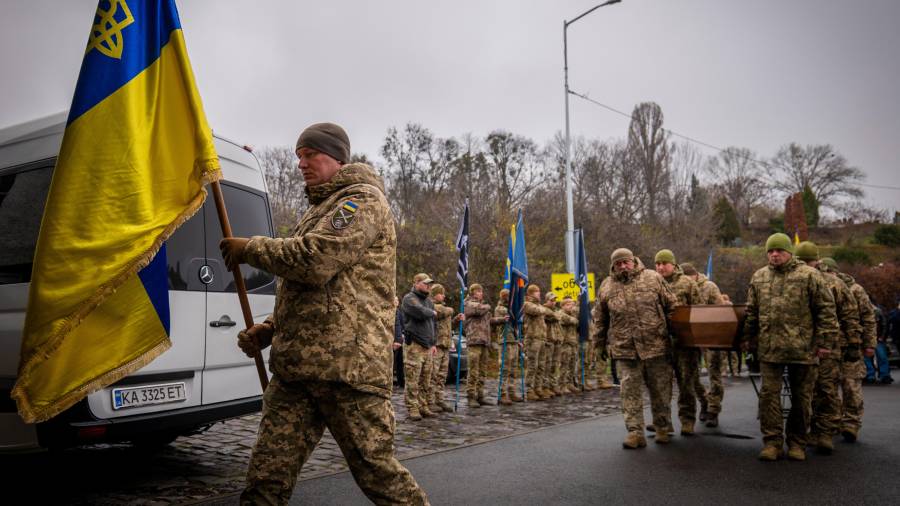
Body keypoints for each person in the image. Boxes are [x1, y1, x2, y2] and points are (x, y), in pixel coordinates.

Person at [219, 122, 427, 504]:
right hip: (297, 372)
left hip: (347, 370)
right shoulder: (316, 211)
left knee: (377, 473)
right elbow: (306, 291)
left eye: (310, 154)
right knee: (266, 477)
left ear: (336, 158)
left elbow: (316, 260)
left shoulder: (361, 200)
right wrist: (270, 328)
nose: (301, 163)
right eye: (298, 155)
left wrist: (251, 248)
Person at [740, 233, 839, 462]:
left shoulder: (809, 275)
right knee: (768, 397)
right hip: (770, 349)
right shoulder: (759, 277)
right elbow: (752, 312)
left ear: (789, 252)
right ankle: (772, 442)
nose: (774, 254)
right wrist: (747, 338)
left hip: (803, 350)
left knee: (802, 399)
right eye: (770, 251)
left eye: (779, 250)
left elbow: (826, 310)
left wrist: (825, 343)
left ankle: (797, 443)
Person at [594, 248, 677, 449]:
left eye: (626, 262)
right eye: (618, 263)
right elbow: (600, 318)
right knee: (629, 392)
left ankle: (662, 428)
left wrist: (677, 336)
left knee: (660, 390)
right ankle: (635, 432)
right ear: (613, 265)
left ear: (634, 261)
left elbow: (672, 307)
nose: (623, 266)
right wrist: (598, 344)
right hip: (625, 349)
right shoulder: (607, 286)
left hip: (656, 346)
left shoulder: (653, 278)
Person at [796, 242, 861, 455]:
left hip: (828, 346)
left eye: (808, 261)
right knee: (811, 390)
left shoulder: (833, 283)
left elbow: (850, 315)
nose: (806, 265)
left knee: (825, 389)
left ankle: (824, 432)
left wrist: (853, 344)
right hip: (803, 347)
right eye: (802, 261)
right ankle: (816, 430)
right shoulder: (794, 281)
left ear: (816, 261)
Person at [820, 257, 878, 442]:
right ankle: (834, 421)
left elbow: (868, 318)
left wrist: (869, 344)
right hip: (829, 347)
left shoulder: (855, 290)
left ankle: (851, 423)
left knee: (851, 386)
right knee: (828, 387)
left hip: (850, 346)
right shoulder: (821, 287)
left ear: (834, 272)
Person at [654, 249, 703, 436]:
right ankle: (662, 422)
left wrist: (696, 338)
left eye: (664, 263)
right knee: (660, 386)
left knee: (686, 384)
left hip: (684, 343)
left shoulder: (687, 283)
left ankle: (687, 419)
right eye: (657, 264)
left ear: (673, 264)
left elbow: (699, 310)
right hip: (660, 343)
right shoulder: (652, 283)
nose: (660, 267)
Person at [682, 262, 726, 428]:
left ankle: (714, 410)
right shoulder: (681, 286)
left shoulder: (709, 286)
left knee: (714, 375)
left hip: (711, 336)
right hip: (691, 337)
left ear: (694, 275)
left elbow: (721, 310)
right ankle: (704, 401)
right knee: (691, 375)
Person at [401, 273, 439, 420]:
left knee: (426, 379)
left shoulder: (429, 301)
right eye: (425, 283)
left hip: (428, 346)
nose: (429, 286)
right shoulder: (409, 298)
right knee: (413, 378)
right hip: (414, 345)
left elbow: (434, 325)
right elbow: (420, 312)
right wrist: (433, 312)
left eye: (430, 284)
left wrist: (434, 343)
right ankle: (412, 407)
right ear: (416, 283)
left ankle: (423, 406)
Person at [463, 283, 504, 407]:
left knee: (482, 371)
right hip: (474, 340)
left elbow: (489, 320)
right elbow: (478, 310)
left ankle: (480, 395)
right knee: (473, 371)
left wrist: (501, 320)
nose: (481, 293)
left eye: (481, 291)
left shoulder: (482, 306)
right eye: (479, 291)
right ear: (473, 292)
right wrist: (487, 306)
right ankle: (471, 397)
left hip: (485, 341)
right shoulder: (468, 303)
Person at [430, 283, 462, 413]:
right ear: (434, 294)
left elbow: (447, 324)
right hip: (436, 344)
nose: (443, 295)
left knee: (442, 376)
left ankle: (439, 399)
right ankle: (430, 400)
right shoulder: (432, 306)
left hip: (445, 345)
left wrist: (456, 320)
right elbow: (442, 313)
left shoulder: (443, 308)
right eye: (441, 293)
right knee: (433, 374)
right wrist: (451, 311)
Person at [523, 284, 555, 401]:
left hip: (541, 339)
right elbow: (538, 311)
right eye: (537, 292)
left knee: (541, 365)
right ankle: (529, 390)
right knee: (532, 366)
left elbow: (549, 313)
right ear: (530, 294)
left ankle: (538, 388)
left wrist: (544, 309)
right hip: (532, 339)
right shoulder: (527, 304)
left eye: (539, 291)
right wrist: (544, 309)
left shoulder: (539, 305)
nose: (539, 294)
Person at [494, 289, 520, 404]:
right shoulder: (500, 309)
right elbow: (506, 318)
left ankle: (512, 391)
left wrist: (518, 339)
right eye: (509, 297)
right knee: (504, 368)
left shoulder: (512, 308)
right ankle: (502, 394)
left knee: (513, 369)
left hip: (513, 340)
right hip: (505, 340)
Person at [393, 296, 405, 388]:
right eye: (395, 300)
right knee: (393, 361)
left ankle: (401, 381)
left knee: (400, 361)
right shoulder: (391, 312)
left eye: (397, 300)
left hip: (400, 340)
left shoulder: (400, 313)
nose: (396, 302)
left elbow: (403, 325)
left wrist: (402, 334)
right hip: (392, 340)